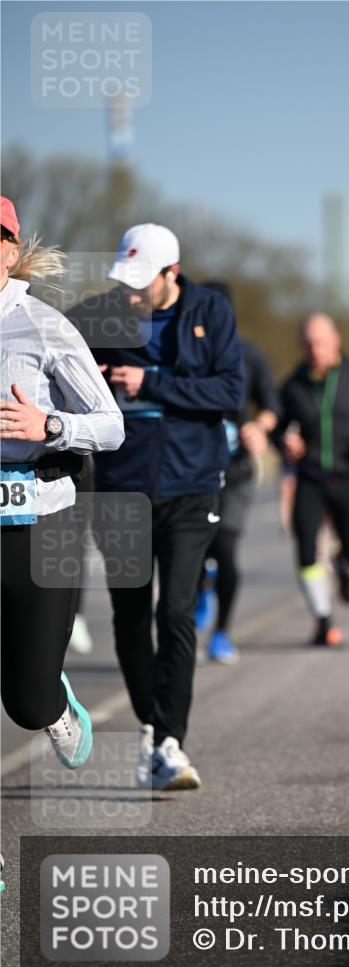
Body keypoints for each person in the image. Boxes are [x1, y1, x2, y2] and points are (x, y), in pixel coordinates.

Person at [67, 224, 244, 791]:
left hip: (192, 487)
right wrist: (87, 380)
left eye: (141, 283)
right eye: (124, 281)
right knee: (129, 616)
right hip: (120, 489)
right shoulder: (96, 315)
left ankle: (170, 740)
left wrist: (152, 382)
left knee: (176, 613)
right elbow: (47, 361)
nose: (130, 293)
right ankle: (149, 723)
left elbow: (230, 392)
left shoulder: (211, 312)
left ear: (173, 274)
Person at [0, 197, 124, 774]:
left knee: (26, 702)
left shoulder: (44, 327)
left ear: (10, 251)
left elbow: (111, 425)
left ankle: (51, 703)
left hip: (43, 517)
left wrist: (48, 426)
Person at [277, 313, 349, 646]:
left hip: (348, 473)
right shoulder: (293, 385)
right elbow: (277, 425)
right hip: (309, 477)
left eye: (322, 342)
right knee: (306, 549)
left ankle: (345, 565)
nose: (316, 350)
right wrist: (284, 440)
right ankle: (323, 620)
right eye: (309, 344)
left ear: (336, 340)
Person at [193, 280, 280, 665]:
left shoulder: (250, 354)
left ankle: (222, 633)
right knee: (196, 550)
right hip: (193, 469)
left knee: (225, 549)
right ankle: (201, 586)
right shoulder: (186, 352)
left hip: (236, 469)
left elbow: (272, 407)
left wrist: (260, 427)